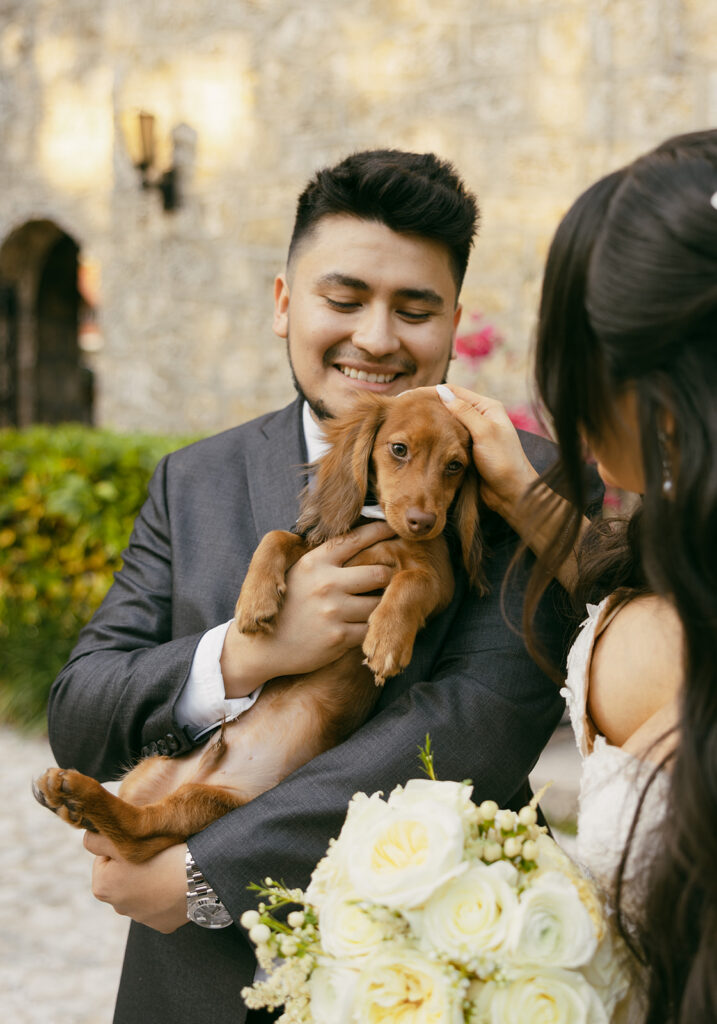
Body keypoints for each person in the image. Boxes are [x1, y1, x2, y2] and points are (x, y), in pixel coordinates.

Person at [46, 150, 590, 1024]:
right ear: (283, 303)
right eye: (343, 300)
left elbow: (474, 726)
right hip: (192, 992)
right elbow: (78, 708)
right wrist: (244, 650)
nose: (376, 338)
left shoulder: (524, 488)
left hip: (430, 966)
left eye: (414, 309)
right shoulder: (196, 480)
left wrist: (201, 872)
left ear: (453, 321)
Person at [438, 129, 717, 1023]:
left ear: (658, 383)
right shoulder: (679, 572)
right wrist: (522, 491)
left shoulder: (667, 643)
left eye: (580, 357)